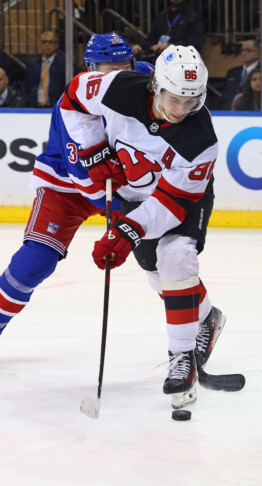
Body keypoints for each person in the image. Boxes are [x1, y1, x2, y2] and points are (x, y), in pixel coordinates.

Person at [57, 45, 225, 409]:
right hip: (133, 191)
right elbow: (72, 99)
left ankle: (182, 359)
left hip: (179, 198)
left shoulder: (201, 141)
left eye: (191, 102)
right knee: (152, 269)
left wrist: (124, 231)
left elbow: (170, 203)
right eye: (174, 99)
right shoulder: (115, 88)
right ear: (155, 86)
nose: (181, 110)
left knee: (175, 257)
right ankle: (206, 317)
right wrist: (92, 151)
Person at [0, 33, 153, 334]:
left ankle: (197, 320)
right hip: (66, 184)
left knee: (162, 254)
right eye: (111, 71)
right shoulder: (73, 104)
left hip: (121, 186)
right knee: (36, 262)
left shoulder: (144, 84)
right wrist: (121, 218)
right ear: (92, 69)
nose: (120, 77)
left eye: (126, 68)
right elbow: (85, 180)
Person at [132, 0, 204, 59]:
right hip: (158, 57)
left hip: (180, 59)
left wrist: (170, 46)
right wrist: (140, 46)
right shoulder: (161, 16)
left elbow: (196, 42)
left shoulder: (193, 18)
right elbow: (150, 39)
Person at [22, 31, 66, 108]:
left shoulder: (64, 64)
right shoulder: (32, 64)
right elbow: (26, 86)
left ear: (56, 45)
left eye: (50, 42)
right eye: (44, 42)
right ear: (40, 44)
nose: (47, 44)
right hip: (34, 108)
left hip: (56, 107)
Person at [221, 39, 259, 110]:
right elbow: (224, 96)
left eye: (248, 50)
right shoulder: (232, 72)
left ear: (257, 53)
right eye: (242, 50)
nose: (243, 53)